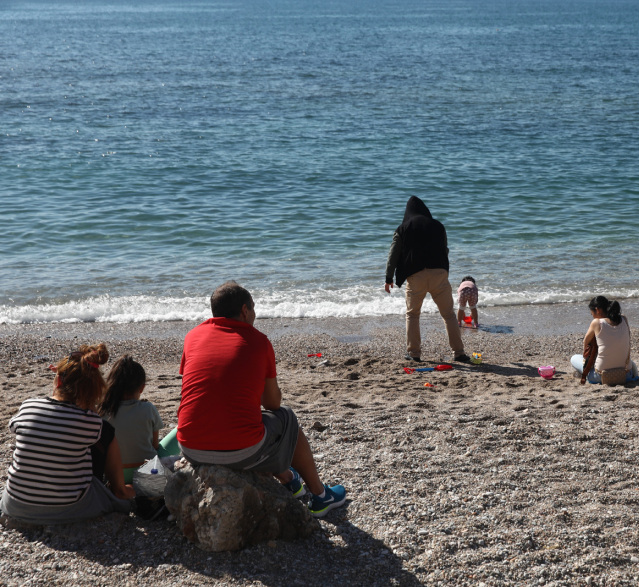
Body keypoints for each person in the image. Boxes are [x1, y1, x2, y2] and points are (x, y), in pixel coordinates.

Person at [177, 281, 346, 517]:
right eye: (254, 309)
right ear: (245, 310)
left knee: (246, 421)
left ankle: (289, 479)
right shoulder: (258, 341)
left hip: (190, 447)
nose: (255, 315)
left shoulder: (192, 336)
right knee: (285, 417)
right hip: (240, 451)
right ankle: (320, 496)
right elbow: (272, 404)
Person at [1, 344, 134, 525]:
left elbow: (15, 427)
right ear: (94, 388)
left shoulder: (28, 406)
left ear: (58, 380)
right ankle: (121, 491)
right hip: (68, 508)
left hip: (15, 504)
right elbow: (92, 417)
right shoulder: (91, 422)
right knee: (105, 434)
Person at [384, 196, 468, 363]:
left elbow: (393, 253)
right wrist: (442, 271)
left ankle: (414, 353)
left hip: (416, 276)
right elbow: (445, 250)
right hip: (439, 274)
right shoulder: (438, 226)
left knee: (413, 315)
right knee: (449, 315)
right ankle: (459, 353)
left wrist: (388, 277)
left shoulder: (403, 228)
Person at [100, 355, 180, 484]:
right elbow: (154, 445)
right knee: (179, 430)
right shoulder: (148, 408)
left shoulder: (103, 411)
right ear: (141, 387)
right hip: (148, 472)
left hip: (114, 474)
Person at [570, 296, 639, 384]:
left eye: (592, 314)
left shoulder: (597, 323)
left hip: (601, 376)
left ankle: (584, 374)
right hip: (626, 375)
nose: (593, 317)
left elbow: (586, 343)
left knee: (574, 358)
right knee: (625, 359)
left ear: (597, 310)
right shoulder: (624, 319)